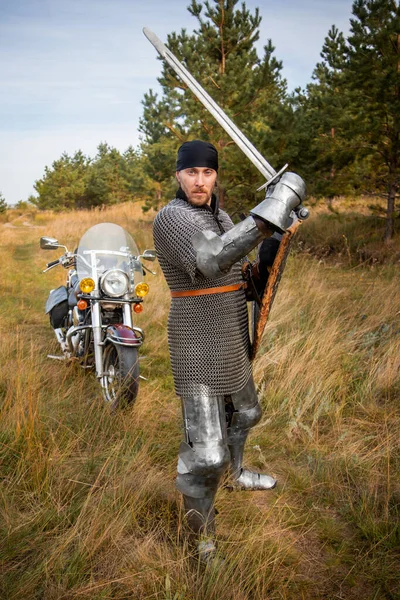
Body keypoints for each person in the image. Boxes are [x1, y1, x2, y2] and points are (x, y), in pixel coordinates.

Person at [153, 140, 305, 562]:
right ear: (178, 176)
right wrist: (275, 204)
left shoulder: (218, 215)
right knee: (206, 454)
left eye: (207, 173)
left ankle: (236, 475)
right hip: (197, 342)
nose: (199, 181)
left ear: (216, 176)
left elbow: (242, 274)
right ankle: (202, 542)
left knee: (248, 413)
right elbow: (212, 258)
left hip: (229, 336)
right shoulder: (172, 218)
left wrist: (272, 246)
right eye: (191, 173)